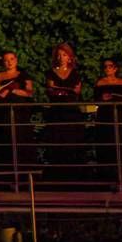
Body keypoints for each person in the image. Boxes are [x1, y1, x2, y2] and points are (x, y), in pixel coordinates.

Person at [42, 44, 85, 175]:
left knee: (71, 140)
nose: (61, 57)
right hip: (56, 111)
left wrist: (66, 91)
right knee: (57, 140)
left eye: (64, 55)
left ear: (70, 57)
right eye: (59, 55)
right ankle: (57, 171)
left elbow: (77, 91)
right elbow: (50, 90)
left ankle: (74, 171)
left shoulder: (75, 73)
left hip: (71, 111)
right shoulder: (51, 72)